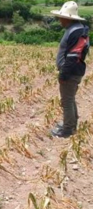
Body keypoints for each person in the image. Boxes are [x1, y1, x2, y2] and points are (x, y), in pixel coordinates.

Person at [50, 1, 90, 138]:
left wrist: (63, 74)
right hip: (75, 71)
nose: (59, 19)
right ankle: (72, 124)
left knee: (66, 101)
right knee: (70, 98)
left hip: (70, 72)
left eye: (61, 17)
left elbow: (73, 56)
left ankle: (67, 130)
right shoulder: (78, 30)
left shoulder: (74, 32)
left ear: (68, 18)